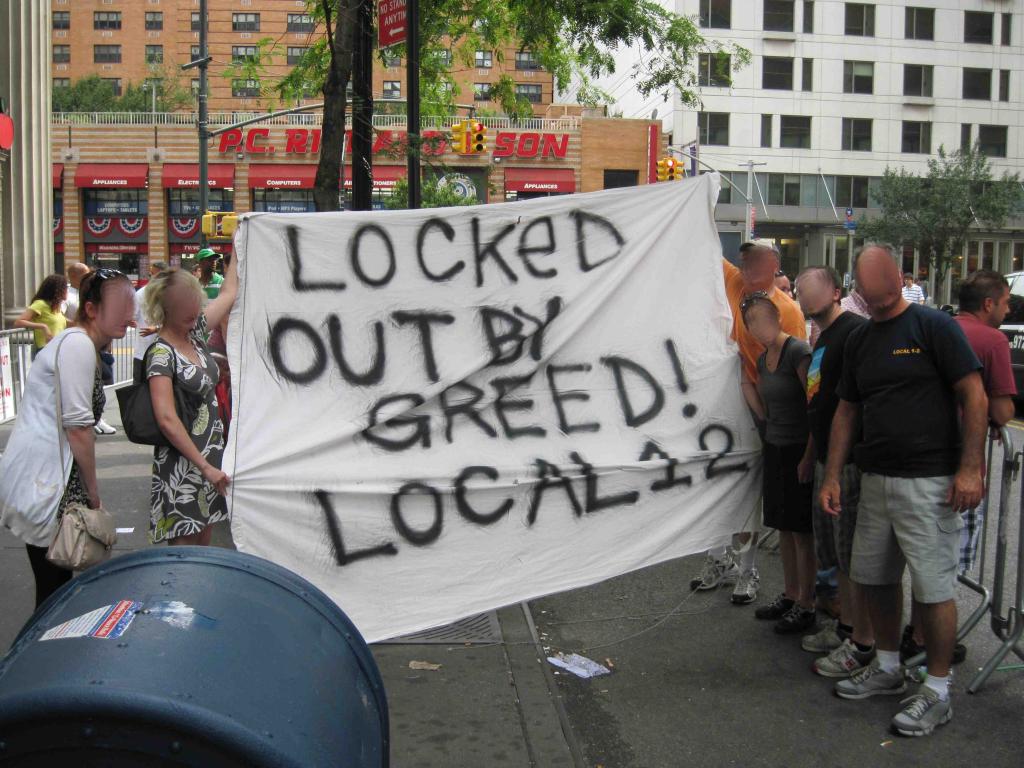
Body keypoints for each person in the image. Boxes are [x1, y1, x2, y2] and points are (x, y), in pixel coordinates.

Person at [820, 244, 987, 737]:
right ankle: (888, 667)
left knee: (934, 588)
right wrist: (832, 475)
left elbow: (973, 393)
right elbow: (847, 411)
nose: (874, 304)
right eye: (867, 298)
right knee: (875, 577)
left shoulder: (934, 326)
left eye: (881, 295)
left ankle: (937, 691)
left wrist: (970, 468)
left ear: (896, 280)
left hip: (930, 481)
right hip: (876, 479)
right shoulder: (861, 340)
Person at [0, 269, 135, 607]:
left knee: (54, 590)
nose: (130, 318)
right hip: (49, 484)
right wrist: (93, 496)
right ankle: (32, 658)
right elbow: (78, 427)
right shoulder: (78, 346)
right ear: (91, 309)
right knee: (53, 596)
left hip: (41, 478)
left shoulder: (71, 341)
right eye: (120, 308)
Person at [901, 270, 1017, 663]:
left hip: (917, 463)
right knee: (944, 568)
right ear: (988, 304)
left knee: (924, 561)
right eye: (1005, 303)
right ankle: (925, 644)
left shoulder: (936, 329)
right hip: (958, 469)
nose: (1007, 310)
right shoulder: (992, 340)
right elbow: (1001, 409)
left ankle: (914, 634)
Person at [689, 240, 807, 605]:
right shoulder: (737, 282)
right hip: (732, 404)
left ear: (773, 266)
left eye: (753, 262)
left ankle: (747, 571)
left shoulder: (787, 312)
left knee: (746, 494)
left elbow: (794, 373)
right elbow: (703, 246)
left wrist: (779, 422)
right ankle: (718, 559)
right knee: (717, 484)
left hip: (765, 416)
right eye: (743, 262)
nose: (745, 268)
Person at [795, 266, 875, 678]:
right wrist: (812, 454)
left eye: (810, 289)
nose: (803, 296)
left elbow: (851, 406)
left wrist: (836, 463)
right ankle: (845, 626)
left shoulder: (855, 332)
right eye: (799, 290)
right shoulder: (825, 336)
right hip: (825, 457)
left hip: (846, 464)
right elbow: (818, 403)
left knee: (849, 553)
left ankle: (860, 637)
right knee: (833, 550)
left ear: (835, 291)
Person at [144, 258, 237, 546]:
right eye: (184, 307)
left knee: (203, 551)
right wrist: (205, 467)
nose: (193, 312)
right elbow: (166, 419)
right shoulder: (161, 353)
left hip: (209, 462)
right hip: (183, 467)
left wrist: (237, 245)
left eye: (194, 303)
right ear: (166, 309)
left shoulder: (193, 335)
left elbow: (228, 294)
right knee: (182, 559)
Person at [740, 293, 815, 633]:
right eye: (751, 323)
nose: (757, 329)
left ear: (777, 319)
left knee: (802, 531)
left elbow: (816, 403)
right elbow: (762, 404)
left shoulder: (798, 351)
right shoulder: (762, 356)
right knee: (783, 526)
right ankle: (791, 593)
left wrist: (811, 454)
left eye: (761, 321)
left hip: (800, 447)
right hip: (776, 446)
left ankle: (807, 602)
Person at [15, 275, 68, 358]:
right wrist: (43, 326)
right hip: (46, 349)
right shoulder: (40, 304)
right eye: (65, 288)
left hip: (59, 348)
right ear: (58, 290)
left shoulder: (56, 307)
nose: (67, 291)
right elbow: (19, 322)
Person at [132, 260, 168, 383]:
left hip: (165, 351)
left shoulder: (172, 293)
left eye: (156, 275)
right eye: (151, 274)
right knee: (140, 390)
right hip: (143, 352)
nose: (153, 278)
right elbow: (133, 316)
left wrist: (157, 328)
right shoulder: (140, 294)